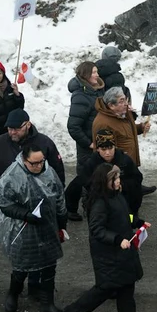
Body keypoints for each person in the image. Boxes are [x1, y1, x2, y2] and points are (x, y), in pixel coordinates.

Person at [0, 142, 68, 312]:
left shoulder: (48, 171)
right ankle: (13, 294)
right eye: (34, 163)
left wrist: (62, 224)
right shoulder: (13, 175)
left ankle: (47, 304)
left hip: (47, 225)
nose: (38, 166)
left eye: (41, 162)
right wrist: (25, 214)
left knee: (49, 266)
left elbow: (59, 197)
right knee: (22, 266)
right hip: (23, 228)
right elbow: (3, 202)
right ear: (24, 160)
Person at [64, 164, 149, 312]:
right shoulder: (99, 203)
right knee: (106, 288)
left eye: (118, 178)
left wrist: (138, 222)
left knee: (127, 285)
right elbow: (97, 229)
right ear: (105, 181)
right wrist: (118, 239)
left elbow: (124, 215)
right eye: (115, 179)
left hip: (122, 251)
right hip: (109, 253)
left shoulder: (116, 196)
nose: (119, 181)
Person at [0, 109, 65, 189]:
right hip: (6, 195)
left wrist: (56, 193)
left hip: (39, 195)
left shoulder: (45, 143)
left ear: (28, 125)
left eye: (17, 128)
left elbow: (57, 171)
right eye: (10, 128)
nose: (13, 132)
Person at [65, 61, 105, 212]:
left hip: (99, 141)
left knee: (94, 176)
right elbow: (73, 126)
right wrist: (89, 143)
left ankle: (75, 205)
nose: (97, 75)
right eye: (94, 72)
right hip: (88, 146)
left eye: (97, 72)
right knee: (86, 178)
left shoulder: (97, 90)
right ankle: (85, 207)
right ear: (86, 75)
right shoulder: (80, 96)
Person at [77, 128, 143, 217]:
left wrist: (122, 185)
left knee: (127, 223)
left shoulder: (125, 160)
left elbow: (137, 179)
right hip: (101, 205)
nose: (107, 153)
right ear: (98, 149)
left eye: (110, 148)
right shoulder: (92, 163)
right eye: (103, 149)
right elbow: (85, 181)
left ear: (114, 147)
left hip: (125, 203)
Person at [92, 87, 149, 174]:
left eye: (125, 99)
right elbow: (103, 151)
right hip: (118, 169)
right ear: (111, 105)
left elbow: (125, 133)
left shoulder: (123, 114)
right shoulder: (103, 123)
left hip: (130, 164)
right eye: (121, 101)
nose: (126, 104)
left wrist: (141, 127)